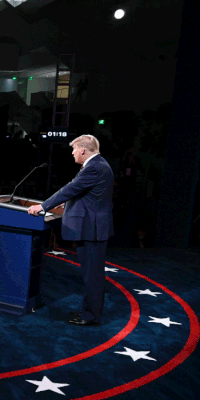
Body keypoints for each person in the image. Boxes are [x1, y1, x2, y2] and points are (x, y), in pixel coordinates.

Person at [28, 134, 114, 326]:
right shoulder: (98, 165)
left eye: (74, 149)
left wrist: (43, 207)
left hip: (93, 230)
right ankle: (88, 311)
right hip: (92, 228)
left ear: (83, 150)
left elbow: (70, 189)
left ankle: (91, 316)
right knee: (91, 274)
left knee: (92, 275)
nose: (73, 153)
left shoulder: (95, 168)